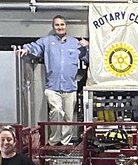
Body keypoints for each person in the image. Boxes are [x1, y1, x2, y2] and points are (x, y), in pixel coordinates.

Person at [18, 16, 88, 145]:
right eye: (57, 25)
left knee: (68, 117)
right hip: (52, 86)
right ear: (53, 27)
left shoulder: (74, 42)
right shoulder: (47, 41)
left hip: (70, 87)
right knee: (56, 111)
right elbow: (35, 46)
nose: (60, 27)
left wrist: (86, 47)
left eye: (62, 24)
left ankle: (65, 143)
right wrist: (26, 49)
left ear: (66, 26)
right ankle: (54, 141)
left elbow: (87, 59)